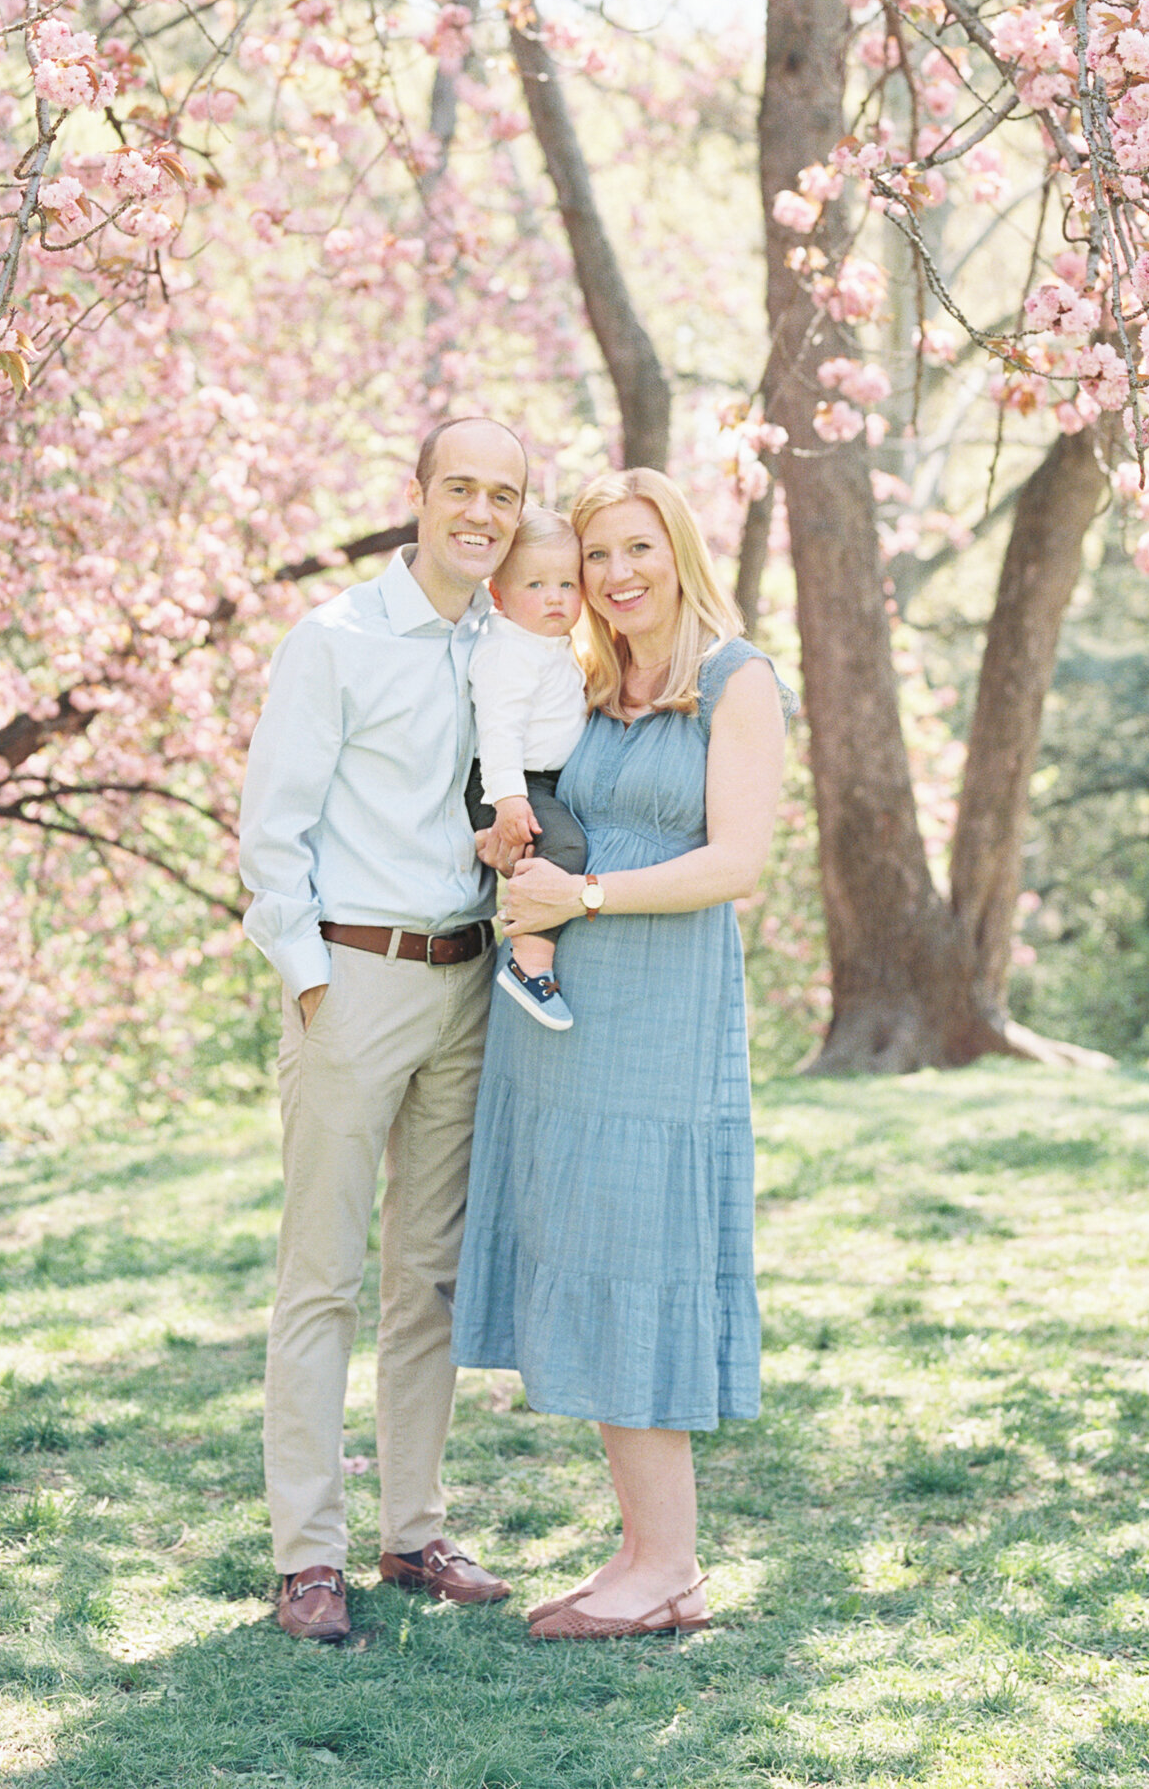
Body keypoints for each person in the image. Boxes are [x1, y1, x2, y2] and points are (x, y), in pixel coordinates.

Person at [450, 466, 790, 1641]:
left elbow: (736, 862)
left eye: (638, 548)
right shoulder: (591, 682)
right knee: (591, 1252)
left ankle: (671, 1564)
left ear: (679, 551)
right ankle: (650, 1553)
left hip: (660, 1005)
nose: (617, 573)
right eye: (598, 555)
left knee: (642, 1254)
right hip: (560, 1019)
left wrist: (583, 893)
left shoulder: (736, 681)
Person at [239, 416, 529, 1644]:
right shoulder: (336, 641)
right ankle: (308, 1554)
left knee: (431, 1278)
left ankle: (412, 1530)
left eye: (504, 495)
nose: (482, 511)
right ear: (416, 495)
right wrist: (309, 980)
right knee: (323, 1278)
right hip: (353, 980)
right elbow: (272, 829)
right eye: (461, 487)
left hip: (469, 982)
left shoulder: (509, 646)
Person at [465, 507, 590, 1032]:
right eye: (535, 584)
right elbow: (499, 730)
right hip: (508, 783)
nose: (556, 597)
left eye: (568, 582)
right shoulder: (508, 650)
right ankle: (528, 964)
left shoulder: (545, 642)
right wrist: (509, 799)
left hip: (536, 781)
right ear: (498, 595)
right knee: (563, 849)